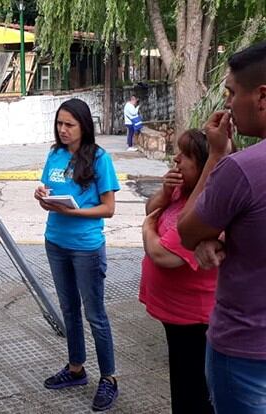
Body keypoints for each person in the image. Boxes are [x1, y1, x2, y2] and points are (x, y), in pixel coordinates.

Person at [178, 41, 266, 413]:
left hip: (246, 352)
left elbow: (188, 231)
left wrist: (215, 156)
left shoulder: (242, 169)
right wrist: (233, 234)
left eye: (231, 93)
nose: (227, 104)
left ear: (261, 96)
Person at [34, 98, 120, 411]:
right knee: (68, 310)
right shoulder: (55, 155)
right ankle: (75, 369)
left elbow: (108, 209)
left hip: (86, 246)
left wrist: (76, 211)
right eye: (60, 124)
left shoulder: (99, 158)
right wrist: (42, 195)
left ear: (84, 126)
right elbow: (47, 191)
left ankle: (109, 378)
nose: (64, 130)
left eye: (70, 124)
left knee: (95, 315)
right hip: (55, 241)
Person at [140, 129, 216, 413]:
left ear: (205, 164)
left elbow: (162, 253)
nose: (176, 159)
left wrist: (147, 228)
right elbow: (151, 207)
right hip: (175, 317)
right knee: (182, 386)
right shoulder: (183, 192)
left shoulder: (206, 206)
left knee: (194, 394)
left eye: (185, 156)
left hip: (194, 320)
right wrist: (164, 192)